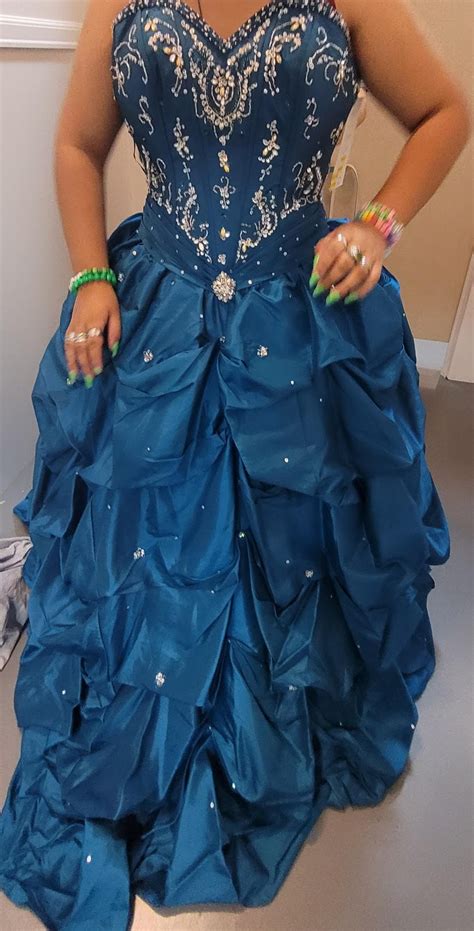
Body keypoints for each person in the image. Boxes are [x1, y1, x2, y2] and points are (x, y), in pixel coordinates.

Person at [0, 1, 470, 927]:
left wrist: (378, 224)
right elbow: (78, 145)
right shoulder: (117, 3)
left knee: (294, 535)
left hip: (299, 322)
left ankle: (272, 722)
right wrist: (90, 274)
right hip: (162, 315)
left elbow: (445, 111)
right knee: (149, 543)